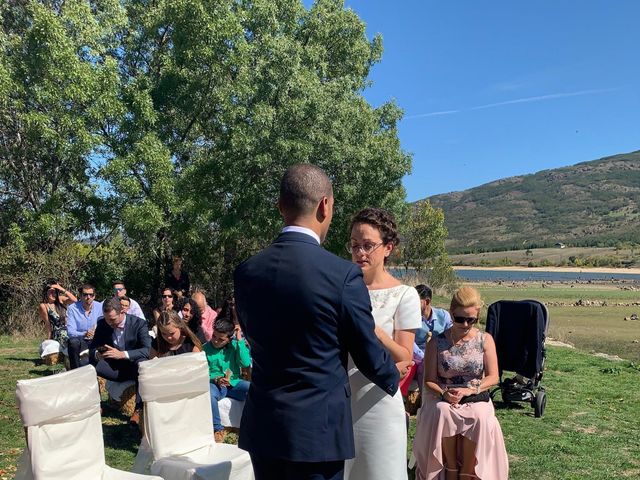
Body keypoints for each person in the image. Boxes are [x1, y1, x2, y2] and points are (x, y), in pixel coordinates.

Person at [234, 164, 404, 480]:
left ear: (281, 206)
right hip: (316, 431)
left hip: (264, 425)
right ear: (325, 206)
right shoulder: (341, 275)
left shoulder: (246, 272)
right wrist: (392, 376)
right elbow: (365, 345)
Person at [345, 208, 422, 480]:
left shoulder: (405, 295)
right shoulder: (341, 290)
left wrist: (376, 332)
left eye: (368, 245)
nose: (360, 253)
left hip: (378, 403)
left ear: (388, 248)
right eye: (355, 245)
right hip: (340, 403)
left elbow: (405, 356)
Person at [413, 286, 509, 480]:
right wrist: (444, 393)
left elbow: (493, 377)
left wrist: (470, 390)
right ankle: (450, 468)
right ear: (451, 313)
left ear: (477, 316)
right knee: (443, 412)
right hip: (443, 393)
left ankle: (467, 469)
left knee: (480, 416)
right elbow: (429, 380)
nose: (465, 324)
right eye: (460, 319)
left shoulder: (485, 340)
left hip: (475, 393)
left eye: (471, 320)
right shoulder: (436, 342)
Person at [89, 298, 151, 425]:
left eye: (112, 319)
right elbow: (92, 347)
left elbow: (148, 350)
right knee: (89, 366)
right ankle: (97, 405)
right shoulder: (103, 323)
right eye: (106, 319)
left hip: (133, 366)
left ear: (122, 311)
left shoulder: (139, 324)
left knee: (143, 363)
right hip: (114, 367)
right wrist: (97, 353)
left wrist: (123, 354)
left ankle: (138, 409)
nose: (109, 323)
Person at [203, 302, 251, 443]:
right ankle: (217, 429)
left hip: (234, 383)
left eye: (221, 339)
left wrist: (240, 340)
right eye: (214, 336)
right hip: (215, 384)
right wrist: (215, 379)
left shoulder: (235, 345)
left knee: (255, 390)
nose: (216, 341)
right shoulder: (206, 348)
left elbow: (245, 363)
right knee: (210, 395)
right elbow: (202, 372)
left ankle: (251, 425)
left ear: (229, 339)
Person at [414, 284, 453, 391]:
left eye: (415, 301)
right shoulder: (411, 318)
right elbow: (411, 344)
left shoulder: (443, 316)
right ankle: (426, 400)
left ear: (426, 301)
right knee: (424, 367)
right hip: (420, 357)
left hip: (441, 354)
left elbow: (451, 337)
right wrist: (425, 357)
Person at [66, 284, 103, 369]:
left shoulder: (100, 307)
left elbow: (104, 324)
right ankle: (75, 371)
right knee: (73, 342)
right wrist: (84, 333)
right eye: (85, 294)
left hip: (95, 338)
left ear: (94, 296)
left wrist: (96, 332)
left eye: (91, 295)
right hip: (80, 339)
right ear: (80, 296)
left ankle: (97, 371)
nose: (88, 297)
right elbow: (71, 331)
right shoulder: (72, 308)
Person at [38, 280, 77, 349]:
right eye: (50, 291)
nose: (53, 294)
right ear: (46, 292)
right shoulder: (44, 306)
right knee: (69, 340)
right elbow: (48, 324)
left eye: (55, 291)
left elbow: (75, 301)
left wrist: (61, 289)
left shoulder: (60, 300)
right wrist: (49, 338)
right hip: (58, 333)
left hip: (69, 329)